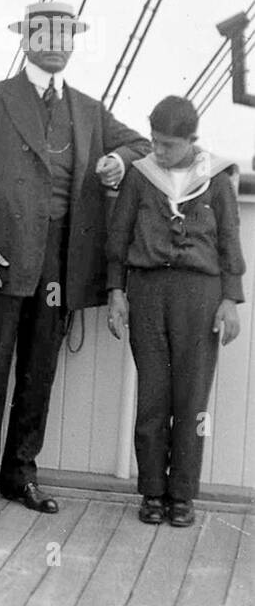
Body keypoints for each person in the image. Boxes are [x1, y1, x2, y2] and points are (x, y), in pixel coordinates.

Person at [0, 1, 150, 515]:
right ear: (27, 41)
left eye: (65, 36)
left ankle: (21, 474)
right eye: (45, 36)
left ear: (72, 43)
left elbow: (140, 143)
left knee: (39, 372)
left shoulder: (86, 107)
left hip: (60, 263)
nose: (56, 45)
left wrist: (115, 159)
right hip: (0, 258)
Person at [106, 95, 245, 528]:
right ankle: (151, 491)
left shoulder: (217, 179)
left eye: (168, 145)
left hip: (200, 296)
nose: (158, 152)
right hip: (147, 291)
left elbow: (228, 242)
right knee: (152, 396)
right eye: (154, 142)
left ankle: (182, 494)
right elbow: (119, 237)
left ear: (192, 140)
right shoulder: (140, 177)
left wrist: (230, 300)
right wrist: (116, 293)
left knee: (191, 399)